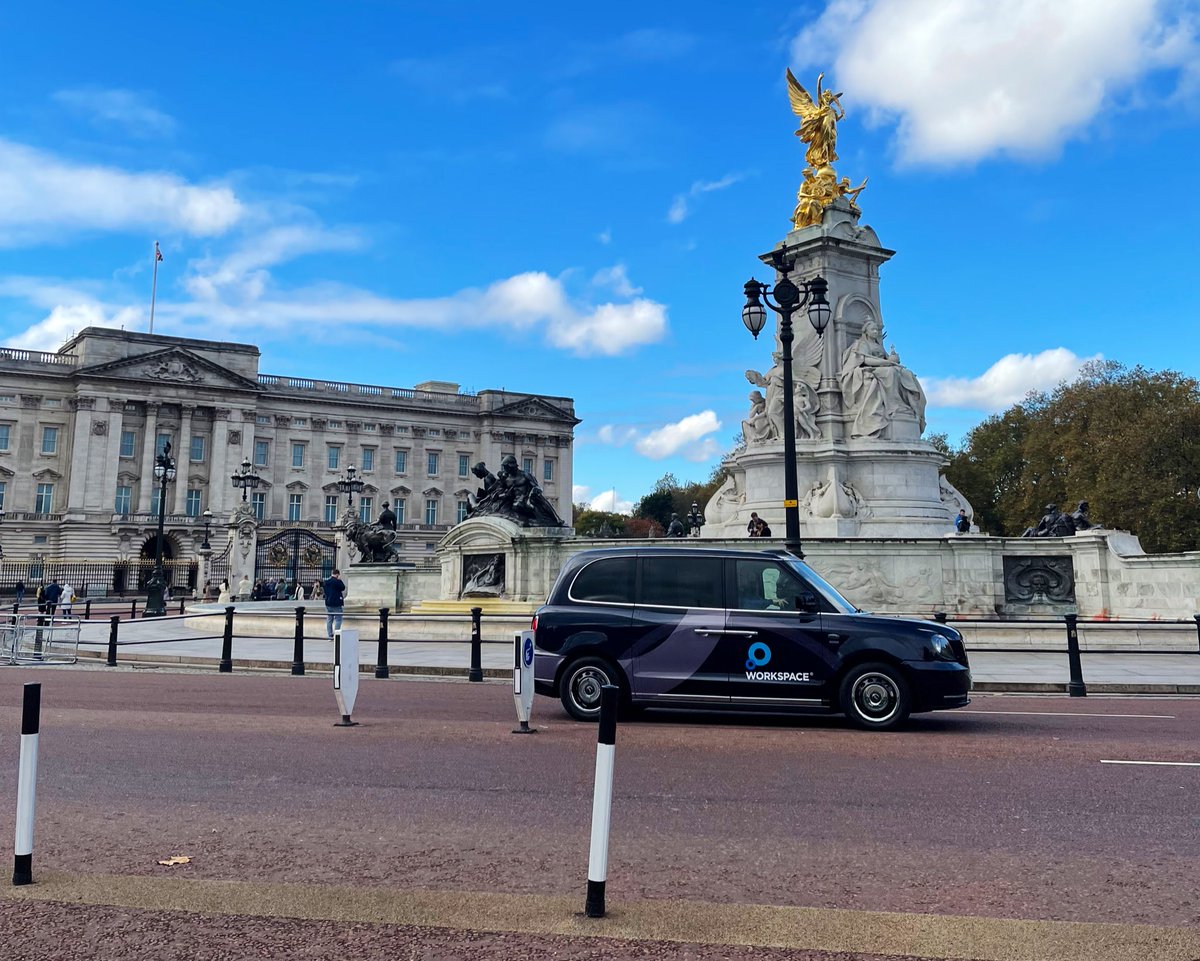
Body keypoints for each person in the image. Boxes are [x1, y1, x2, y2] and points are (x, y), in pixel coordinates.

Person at [323, 568, 347, 639]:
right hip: (336, 603)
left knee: (329, 619)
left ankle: (330, 635)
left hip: (328, 603)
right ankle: (337, 635)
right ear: (337, 574)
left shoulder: (327, 582)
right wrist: (340, 580)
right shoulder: (337, 581)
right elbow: (343, 588)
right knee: (338, 619)